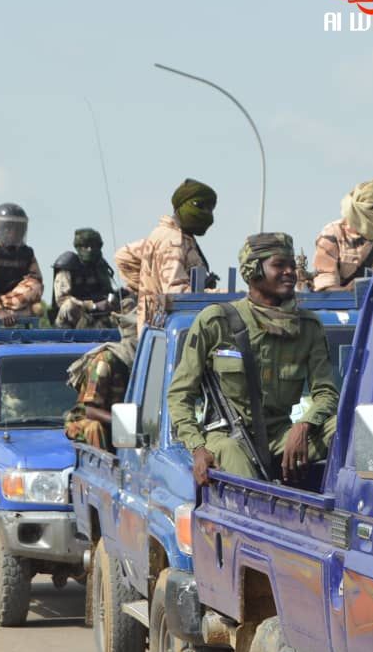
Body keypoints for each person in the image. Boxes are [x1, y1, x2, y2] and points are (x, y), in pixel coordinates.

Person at [167, 233, 339, 486]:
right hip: (228, 437)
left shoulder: (308, 327)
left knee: (347, 429)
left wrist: (303, 425)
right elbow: (180, 395)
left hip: (282, 435)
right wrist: (197, 448)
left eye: (293, 266)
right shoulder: (216, 322)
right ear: (253, 270)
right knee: (244, 477)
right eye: (279, 265)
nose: (290, 272)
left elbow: (326, 392)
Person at [115, 179, 217, 333]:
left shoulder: (164, 235)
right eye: (202, 207)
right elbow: (176, 293)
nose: (208, 215)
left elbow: (124, 255)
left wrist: (150, 288)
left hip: (161, 328)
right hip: (167, 331)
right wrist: (225, 296)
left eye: (211, 209)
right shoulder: (172, 241)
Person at [64, 303, 138, 449]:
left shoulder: (140, 362)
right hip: (87, 422)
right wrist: (121, 422)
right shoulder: (106, 361)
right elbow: (90, 410)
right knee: (94, 428)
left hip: (122, 425)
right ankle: (103, 470)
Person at [312, 177, 373, 291]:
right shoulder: (333, 235)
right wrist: (349, 291)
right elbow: (326, 288)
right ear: (364, 209)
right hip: (342, 308)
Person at [51, 229, 117, 329]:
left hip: (99, 314)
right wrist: (92, 305)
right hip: (76, 315)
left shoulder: (99, 266)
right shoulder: (68, 264)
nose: (90, 250)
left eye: (93, 246)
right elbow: (62, 299)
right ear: (78, 247)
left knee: (127, 302)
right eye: (85, 247)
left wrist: (112, 299)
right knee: (68, 305)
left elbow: (108, 291)